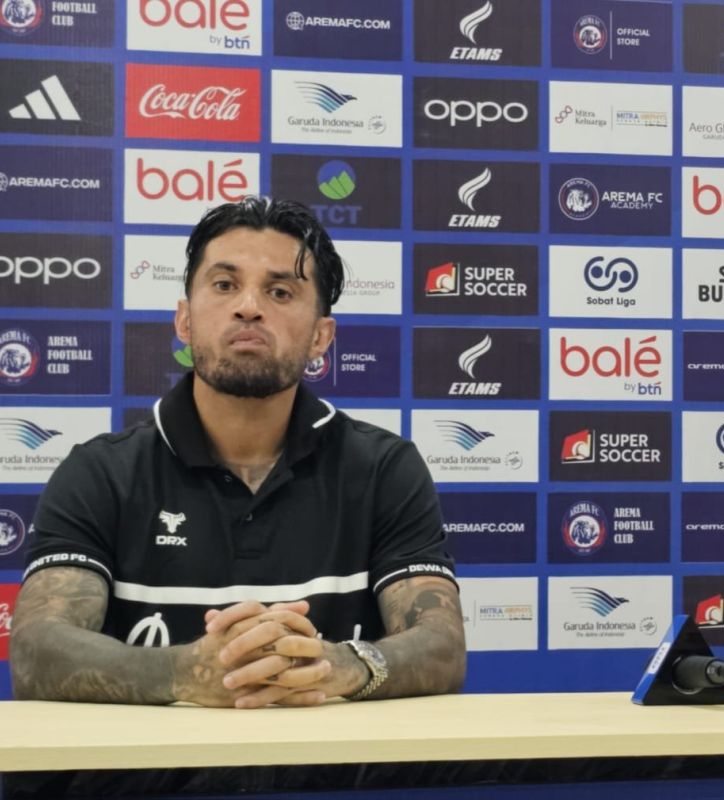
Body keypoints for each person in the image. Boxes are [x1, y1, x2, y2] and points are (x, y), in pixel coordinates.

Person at [11, 197, 465, 708]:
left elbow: (442, 646)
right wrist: (186, 672)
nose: (249, 306)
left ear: (321, 336)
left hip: (328, 760)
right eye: (225, 285)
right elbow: (34, 653)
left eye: (280, 291)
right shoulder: (101, 472)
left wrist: (342, 665)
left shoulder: (383, 468)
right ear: (184, 320)